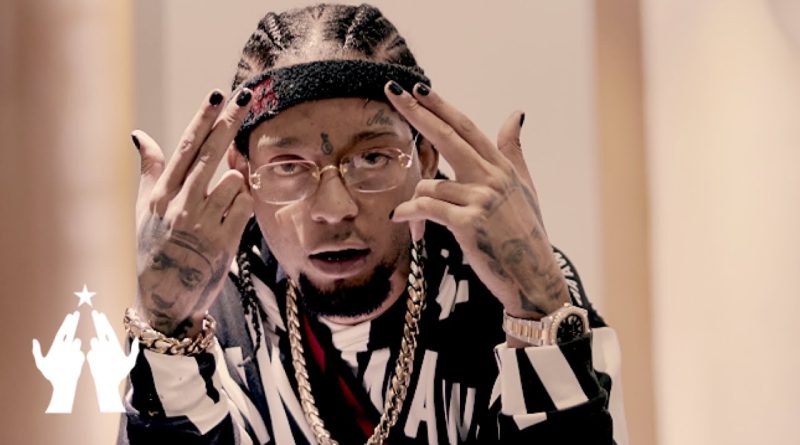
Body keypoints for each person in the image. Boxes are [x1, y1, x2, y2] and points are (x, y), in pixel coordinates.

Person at [119, 3, 626, 444]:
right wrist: (166, 332)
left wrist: (538, 313)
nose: (334, 208)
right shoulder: (213, 299)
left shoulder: (512, 283)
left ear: (425, 158)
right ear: (243, 172)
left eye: (373, 158)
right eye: (288, 166)